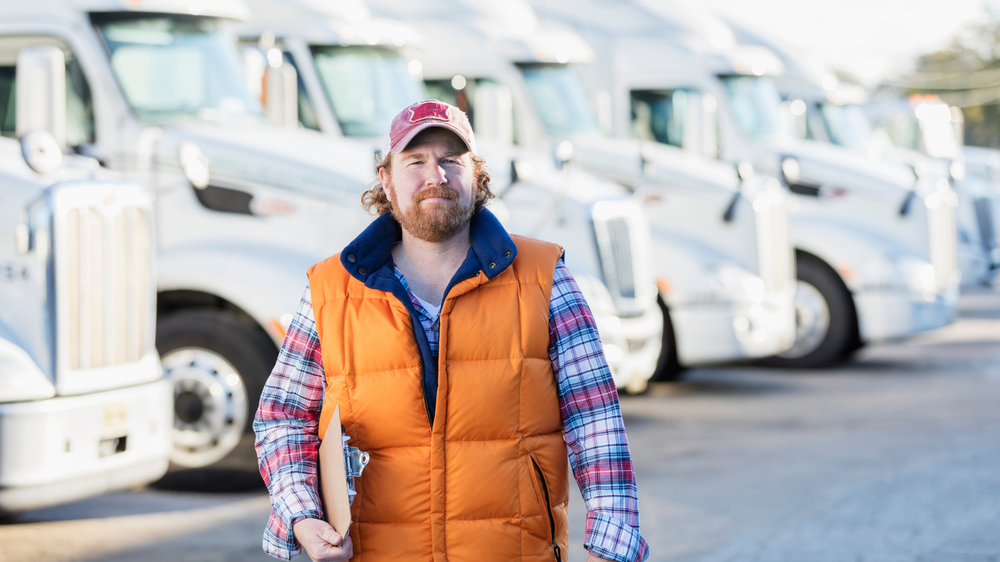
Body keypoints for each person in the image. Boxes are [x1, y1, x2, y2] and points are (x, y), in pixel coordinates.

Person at [254, 99, 649, 562]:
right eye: (416, 161)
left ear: (476, 176)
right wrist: (302, 517)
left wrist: (611, 545)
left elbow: (595, 418)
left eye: (450, 160)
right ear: (387, 179)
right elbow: (283, 417)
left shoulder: (544, 277)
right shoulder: (329, 291)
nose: (435, 176)